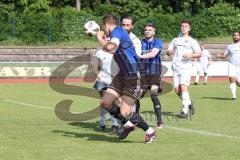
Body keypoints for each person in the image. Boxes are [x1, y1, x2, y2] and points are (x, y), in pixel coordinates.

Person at [96, 14, 156, 143]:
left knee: (125, 111)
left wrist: (100, 38)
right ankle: (127, 124)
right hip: (122, 75)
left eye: (104, 27)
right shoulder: (116, 34)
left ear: (106, 25)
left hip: (134, 76)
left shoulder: (117, 31)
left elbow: (111, 49)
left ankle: (149, 131)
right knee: (106, 102)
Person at [166, 20, 202, 118]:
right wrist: (169, 52)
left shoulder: (192, 41)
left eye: (185, 26)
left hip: (186, 67)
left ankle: (185, 111)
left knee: (183, 87)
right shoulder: (175, 40)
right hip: (175, 67)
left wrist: (190, 55)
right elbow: (169, 50)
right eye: (182, 26)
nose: (183, 28)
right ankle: (189, 103)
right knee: (177, 91)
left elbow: (199, 53)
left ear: (189, 29)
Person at [138, 23, 164, 129]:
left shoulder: (158, 42)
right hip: (143, 73)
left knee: (153, 95)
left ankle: (160, 121)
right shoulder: (140, 43)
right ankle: (135, 119)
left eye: (150, 30)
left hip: (154, 72)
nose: (147, 31)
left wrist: (138, 55)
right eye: (146, 30)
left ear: (154, 32)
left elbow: (153, 54)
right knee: (137, 97)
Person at [91, 43, 120, 135]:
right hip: (102, 80)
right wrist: (100, 77)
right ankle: (107, 123)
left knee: (112, 102)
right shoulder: (98, 51)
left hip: (115, 80)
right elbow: (94, 68)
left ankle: (112, 124)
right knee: (105, 102)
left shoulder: (118, 50)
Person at [217, 31, 240, 101]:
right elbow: (225, 56)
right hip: (232, 65)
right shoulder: (230, 46)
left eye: (237, 35)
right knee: (232, 80)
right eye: (234, 35)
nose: (235, 36)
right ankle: (234, 97)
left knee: (239, 83)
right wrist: (220, 56)